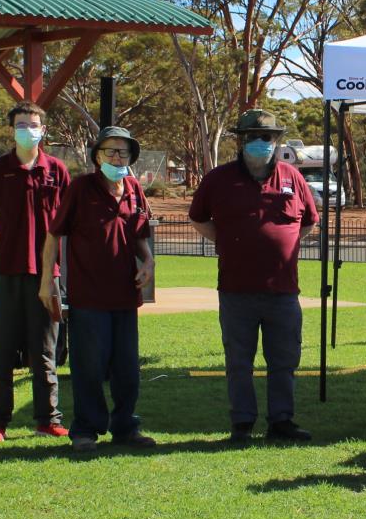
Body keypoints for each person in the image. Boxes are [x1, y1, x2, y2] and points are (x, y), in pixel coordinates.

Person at [188, 109, 319, 444]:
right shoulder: (218, 179)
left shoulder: (293, 177)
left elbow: (308, 222)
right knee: (238, 362)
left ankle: (282, 421)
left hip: (283, 291)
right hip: (236, 290)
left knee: (284, 361)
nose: (260, 142)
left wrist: (282, 245)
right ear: (240, 141)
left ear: (276, 140)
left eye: (267, 137)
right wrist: (227, 241)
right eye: (252, 137)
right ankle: (242, 424)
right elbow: (199, 218)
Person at [40, 126, 157, 452]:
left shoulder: (134, 189)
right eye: (110, 151)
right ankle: (86, 430)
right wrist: (47, 280)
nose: (117, 158)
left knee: (127, 369)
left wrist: (148, 262)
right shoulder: (80, 188)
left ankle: (125, 427)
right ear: (97, 156)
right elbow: (53, 234)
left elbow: (139, 236)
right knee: (89, 367)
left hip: (125, 296)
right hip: (89, 297)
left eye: (123, 152)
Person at [0, 101, 71, 441]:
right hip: (5, 272)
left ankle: (48, 418)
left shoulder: (57, 171)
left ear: (43, 130)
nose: (27, 130)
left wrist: (56, 273)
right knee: (1, 351)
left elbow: (66, 222)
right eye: (21, 125)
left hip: (47, 275)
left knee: (45, 351)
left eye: (33, 125)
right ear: (12, 130)